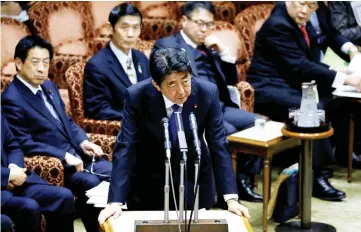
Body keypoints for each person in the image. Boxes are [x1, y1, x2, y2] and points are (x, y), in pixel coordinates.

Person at [98, 47, 251, 224]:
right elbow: (126, 147)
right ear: (156, 84)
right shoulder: (137, 96)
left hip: (195, 179)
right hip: (150, 183)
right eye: (172, 84)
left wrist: (230, 198)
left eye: (185, 81)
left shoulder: (207, 93)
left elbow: (218, 145)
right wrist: (115, 201)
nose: (181, 91)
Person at [246, 1, 361, 201]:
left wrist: (339, 73)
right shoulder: (278, 24)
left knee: (336, 99)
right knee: (312, 108)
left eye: (311, 6)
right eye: (302, 3)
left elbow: (306, 61)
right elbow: (299, 65)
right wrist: (344, 78)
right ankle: (315, 175)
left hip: (291, 82)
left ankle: (340, 155)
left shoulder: (297, 18)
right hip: (268, 87)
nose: (305, 11)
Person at [153, 1, 262, 203]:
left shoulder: (209, 48)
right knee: (226, 130)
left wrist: (223, 53)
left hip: (220, 106)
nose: (204, 29)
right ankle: (223, 190)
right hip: (193, 110)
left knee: (258, 124)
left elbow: (231, 82)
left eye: (209, 25)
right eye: (199, 23)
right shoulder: (168, 45)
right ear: (184, 21)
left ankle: (242, 180)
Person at [1, 35, 112, 232]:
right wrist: (64, 156)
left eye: (46, 62)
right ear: (18, 63)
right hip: (59, 165)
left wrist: (83, 141)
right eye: (35, 62)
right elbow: (25, 143)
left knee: (120, 171)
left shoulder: (48, 85)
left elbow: (67, 122)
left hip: (78, 155)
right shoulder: (12, 99)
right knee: (91, 182)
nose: (41, 68)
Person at [1, 110, 74, 232]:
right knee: (29, 207)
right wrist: (7, 176)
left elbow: (13, 146)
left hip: (16, 180)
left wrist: (14, 167)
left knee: (64, 197)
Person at [83, 3, 150, 121]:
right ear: (110, 29)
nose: (130, 34)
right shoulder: (97, 66)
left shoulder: (141, 58)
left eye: (135, 28)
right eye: (124, 27)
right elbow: (98, 110)